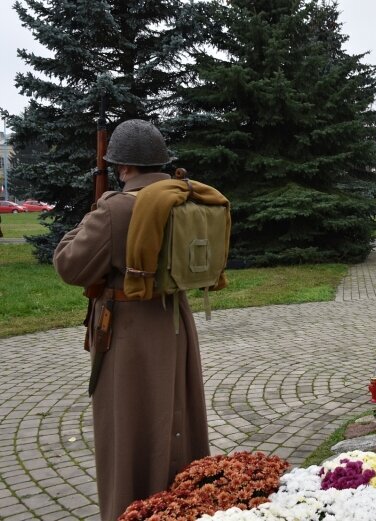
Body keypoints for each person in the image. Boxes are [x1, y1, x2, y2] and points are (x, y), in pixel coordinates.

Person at [52, 120, 210, 521]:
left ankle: (131, 509)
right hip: (175, 324)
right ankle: (187, 504)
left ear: (122, 168)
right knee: (178, 417)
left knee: (127, 426)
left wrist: (92, 214)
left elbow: (69, 266)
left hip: (129, 333)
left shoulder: (115, 208)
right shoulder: (182, 195)